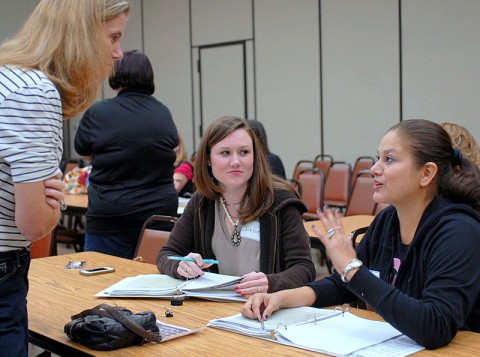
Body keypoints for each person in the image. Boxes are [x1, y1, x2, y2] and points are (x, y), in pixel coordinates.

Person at [242, 119, 480, 349]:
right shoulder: (388, 221)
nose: (374, 168)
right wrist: (280, 299)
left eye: (389, 159)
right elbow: (342, 285)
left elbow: (435, 327)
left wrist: (352, 268)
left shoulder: (459, 231)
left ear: (426, 173)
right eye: (378, 158)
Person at [0, 1, 131, 355]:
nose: (119, 53)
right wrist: (53, 202)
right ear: (81, 35)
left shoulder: (7, 78)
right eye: (113, 37)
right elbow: (33, 224)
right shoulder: (34, 92)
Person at [157, 116, 315, 297]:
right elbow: (167, 255)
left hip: (266, 311)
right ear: (208, 159)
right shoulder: (202, 202)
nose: (235, 162)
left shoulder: (281, 203)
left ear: (255, 156)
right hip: (214, 309)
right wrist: (181, 266)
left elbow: (305, 268)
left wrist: (271, 283)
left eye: (244, 152)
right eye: (225, 153)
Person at [74, 49, 178, 259]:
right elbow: (173, 147)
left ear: (115, 74)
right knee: (155, 283)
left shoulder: (99, 112)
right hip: (158, 215)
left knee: (101, 281)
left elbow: (83, 150)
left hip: (112, 215)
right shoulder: (163, 112)